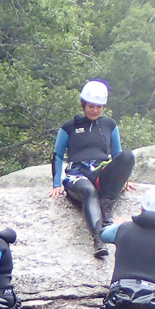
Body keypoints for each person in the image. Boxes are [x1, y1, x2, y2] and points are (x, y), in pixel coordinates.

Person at [49, 79, 136, 259]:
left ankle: (107, 202)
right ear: (84, 104)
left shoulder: (109, 125)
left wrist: (122, 178)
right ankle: (98, 239)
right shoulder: (69, 126)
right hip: (77, 175)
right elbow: (57, 155)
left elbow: (118, 155)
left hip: (99, 171)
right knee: (88, 191)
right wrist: (56, 183)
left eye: (99, 107)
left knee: (128, 156)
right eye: (91, 106)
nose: (95, 110)